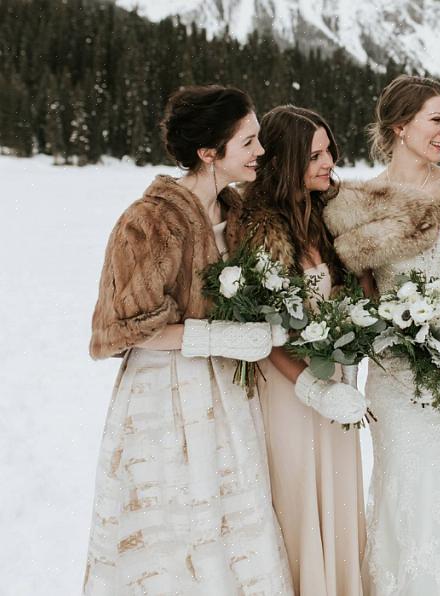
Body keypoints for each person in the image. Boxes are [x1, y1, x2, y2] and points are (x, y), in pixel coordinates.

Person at [84, 85, 291, 594]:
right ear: (208, 152)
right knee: (170, 528)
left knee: (232, 518)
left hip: (228, 394)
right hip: (164, 395)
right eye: (248, 142)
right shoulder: (148, 221)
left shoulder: (240, 215)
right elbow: (123, 330)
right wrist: (216, 335)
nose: (260, 151)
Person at [322, 74, 440, 596]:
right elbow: (358, 298)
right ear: (400, 125)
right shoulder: (358, 202)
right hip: (394, 377)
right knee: (403, 489)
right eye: (435, 119)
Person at [236, 105, 366, 596]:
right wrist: (311, 385)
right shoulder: (258, 226)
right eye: (314, 154)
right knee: (296, 493)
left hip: (337, 378)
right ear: (287, 160)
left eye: (329, 149)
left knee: (337, 489)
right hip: (289, 385)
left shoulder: (327, 218)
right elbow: (260, 326)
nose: (328, 161)